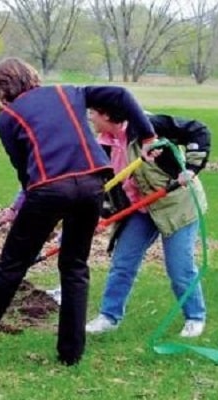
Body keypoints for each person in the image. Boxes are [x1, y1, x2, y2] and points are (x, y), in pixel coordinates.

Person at [0, 57, 157, 366]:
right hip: (94, 184)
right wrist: (148, 137)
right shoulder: (69, 92)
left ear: (1, 92)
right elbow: (119, 95)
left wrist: (29, 206)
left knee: (11, 266)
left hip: (49, 189)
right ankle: (71, 352)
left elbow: (24, 170)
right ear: (31, 77)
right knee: (75, 265)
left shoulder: (6, 118)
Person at [85, 109, 209, 338]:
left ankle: (195, 318)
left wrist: (191, 169)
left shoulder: (148, 126)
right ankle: (109, 317)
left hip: (176, 205)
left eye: (93, 113)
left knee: (179, 268)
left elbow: (197, 130)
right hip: (142, 208)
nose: (90, 118)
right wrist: (97, 217)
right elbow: (105, 186)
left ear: (107, 114)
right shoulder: (102, 144)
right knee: (123, 263)